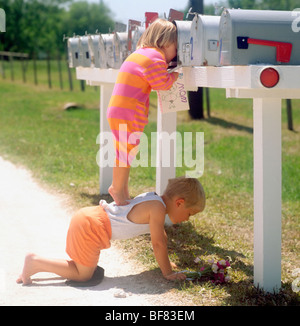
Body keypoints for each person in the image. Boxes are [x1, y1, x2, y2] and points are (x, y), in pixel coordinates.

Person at [16, 177, 205, 285]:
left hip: (89, 219)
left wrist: (167, 264)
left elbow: (160, 238)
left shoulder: (153, 199)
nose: (187, 219)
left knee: (81, 267)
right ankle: (35, 263)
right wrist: (167, 273)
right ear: (179, 203)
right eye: (189, 213)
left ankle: (38, 263)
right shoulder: (157, 209)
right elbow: (158, 243)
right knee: (83, 275)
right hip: (92, 227)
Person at [107, 18, 179, 205]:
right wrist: (175, 75)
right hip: (129, 112)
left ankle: (122, 190)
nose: (176, 54)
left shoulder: (140, 54)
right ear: (165, 42)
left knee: (125, 151)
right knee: (125, 152)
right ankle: (116, 188)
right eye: (176, 48)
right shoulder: (155, 57)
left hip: (120, 109)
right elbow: (162, 84)